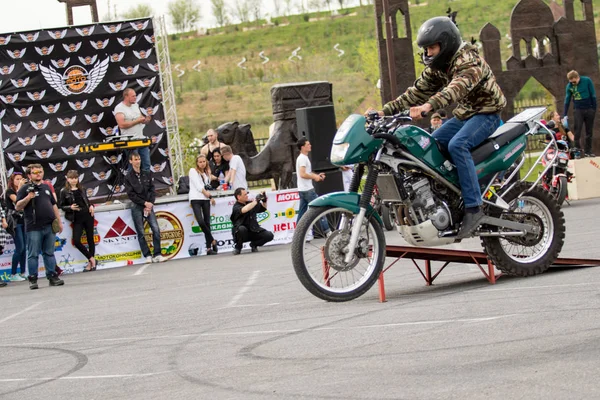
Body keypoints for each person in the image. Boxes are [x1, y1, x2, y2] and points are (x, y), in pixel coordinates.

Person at [367, 16, 506, 239]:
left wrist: (429, 105)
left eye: (432, 47)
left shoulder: (468, 60)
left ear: (447, 43)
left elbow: (456, 88)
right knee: (430, 144)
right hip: (466, 114)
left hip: (487, 113)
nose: (428, 53)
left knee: (457, 145)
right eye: (425, 48)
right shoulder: (438, 67)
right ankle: (449, 195)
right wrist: (385, 111)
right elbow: (415, 92)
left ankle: (474, 207)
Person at [15, 164, 64, 290]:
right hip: (34, 227)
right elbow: (18, 206)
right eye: (35, 172)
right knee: (33, 254)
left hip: (49, 225)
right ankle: (33, 278)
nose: (38, 174)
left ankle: (52, 276)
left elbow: (54, 205)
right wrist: (28, 197)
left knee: (49, 252)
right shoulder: (25, 188)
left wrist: (59, 221)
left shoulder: (46, 186)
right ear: (29, 175)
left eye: (40, 171)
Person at [124, 152, 165, 263]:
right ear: (130, 161)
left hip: (149, 206)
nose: (138, 161)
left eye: (139, 159)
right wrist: (144, 203)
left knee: (156, 229)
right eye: (135, 159)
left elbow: (152, 189)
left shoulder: (147, 173)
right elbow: (131, 194)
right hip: (137, 205)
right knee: (141, 231)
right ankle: (147, 255)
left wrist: (150, 203)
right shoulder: (128, 177)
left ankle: (157, 253)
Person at [59, 170, 96, 272]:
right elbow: (61, 205)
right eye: (71, 178)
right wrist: (70, 207)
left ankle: (91, 264)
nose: (74, 180)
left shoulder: (82, 188)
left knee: (90, 239)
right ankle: (91, 258)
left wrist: (91, 206)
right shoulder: (64, 191)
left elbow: (87, 201)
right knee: (76, 240)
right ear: (67, 179)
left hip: (87, 215)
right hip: (76, 217)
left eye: (75, 178)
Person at [295, 138, 331, 235]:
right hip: (308, 190)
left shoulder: (302, 158)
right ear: (302, 147)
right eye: (308, 144)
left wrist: (316, 176)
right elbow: (303, 174)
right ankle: (328, 232)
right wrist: (315, 177)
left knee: (302, 213)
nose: (310, 145)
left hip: (303, 189)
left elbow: (307, 173)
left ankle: (298, 233)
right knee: (319, 210)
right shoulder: (303, 158)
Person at [114, 88, 152, 170]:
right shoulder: (119, 108)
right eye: (133, 96)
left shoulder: (136, 105)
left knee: (146, 164)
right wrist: (137, 120)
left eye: (135, 96)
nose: (135, 98)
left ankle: (146, 182)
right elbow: (122, 125)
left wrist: (145, 120)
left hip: (141, 139)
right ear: (126, 96)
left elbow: (141, 119)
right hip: (130, 141)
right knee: (133, 166)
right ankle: (131, 183)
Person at [189, 154, 218, 255]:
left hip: (205, 199)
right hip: (196, 198)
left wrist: (210, 175)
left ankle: (209, 248)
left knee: (207, 222)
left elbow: (207, 186)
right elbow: (198, 186)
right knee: (200, 221)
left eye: (204, 162)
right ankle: (212, 240)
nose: (202, 164)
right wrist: (210, 196)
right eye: (200, 162)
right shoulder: (193, 171)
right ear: (197, 163)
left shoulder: (206, 173)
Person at [230, 188, 274, 255]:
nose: (247, 196)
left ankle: (254, 244)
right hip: (242, 233)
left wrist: (264, 200)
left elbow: (264, 208)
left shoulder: (251, 203)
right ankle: (238, 248)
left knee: (269, 235)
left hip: (254, 230)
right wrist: (256, 200)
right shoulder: (236, 207)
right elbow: (245, 209)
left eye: (247, 194)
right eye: (245, 194)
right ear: (238, 197)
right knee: (241, 229)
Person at [564, 70, 597, 157]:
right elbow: (567, 99)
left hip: (589, 108)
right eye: (571, 82)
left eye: (574, 82)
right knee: (577, 129)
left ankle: (588, 151)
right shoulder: (569, 86)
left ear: (577, 77)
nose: (573, 84)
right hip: (578, 109)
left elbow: (593, 94)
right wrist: (564, 113)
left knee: (589, 131)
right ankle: (577, 148)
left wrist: (593, 108)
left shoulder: (586, 81)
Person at [5, 172, 27, 281]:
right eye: (17, 179)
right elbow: (18, 200)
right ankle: (13, 274)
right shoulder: (9, 191)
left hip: (24, 220)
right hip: (15, 221)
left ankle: (23, 272)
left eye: (21, 179)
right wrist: (20, 187)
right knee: (20, 247)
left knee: (24, 249)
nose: (19, 181)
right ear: (12, 181)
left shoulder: (24, 190)